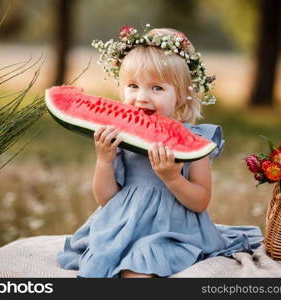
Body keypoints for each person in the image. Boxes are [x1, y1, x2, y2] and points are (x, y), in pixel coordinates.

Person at [57, 25, 263, 278]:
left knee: (138, 271)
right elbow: (106, 199)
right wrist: (104, 161)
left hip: (172, 230)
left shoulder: (195, 140)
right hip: (122, 227)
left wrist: (173, 178)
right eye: (133, 86)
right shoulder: (118, 137)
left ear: (182, 96)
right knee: (110, 260)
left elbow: (200, 201)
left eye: (157, 88)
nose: (142, 97)